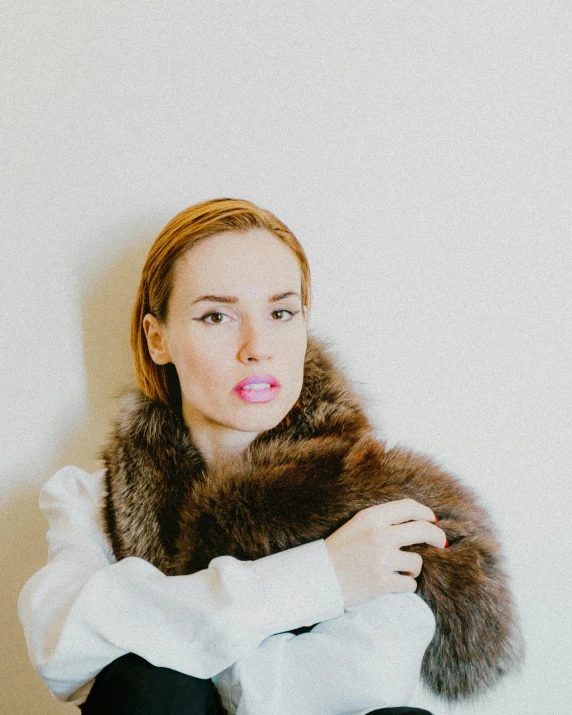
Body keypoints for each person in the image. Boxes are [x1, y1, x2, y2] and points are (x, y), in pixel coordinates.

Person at [19, 198, 450, 715]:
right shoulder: (91, 501)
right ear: (159, 339)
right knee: (150, 688)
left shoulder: (370, 500)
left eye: (280, 312)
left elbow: (370, 678)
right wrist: (323, 575)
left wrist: (160, 628)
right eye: (217, 315)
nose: (257, 346)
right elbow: (58, 639)